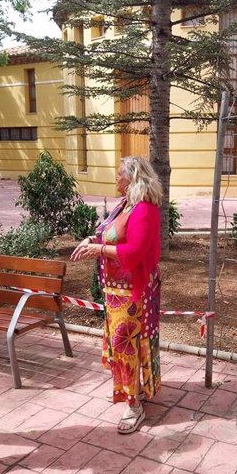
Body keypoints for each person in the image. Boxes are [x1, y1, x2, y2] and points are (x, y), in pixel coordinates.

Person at [71, 156, 162, 434]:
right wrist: (92, 241)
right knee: (122, 345)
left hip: (133, 292)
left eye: (120, 175)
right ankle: (133, 391)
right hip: (115, 292)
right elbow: (110, 236)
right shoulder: (125, 205)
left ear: (134, 178)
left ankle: (135, 406)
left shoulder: (144, 209)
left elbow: (135, 252)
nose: (116, 180)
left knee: (126, 345)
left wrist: (99, 251)